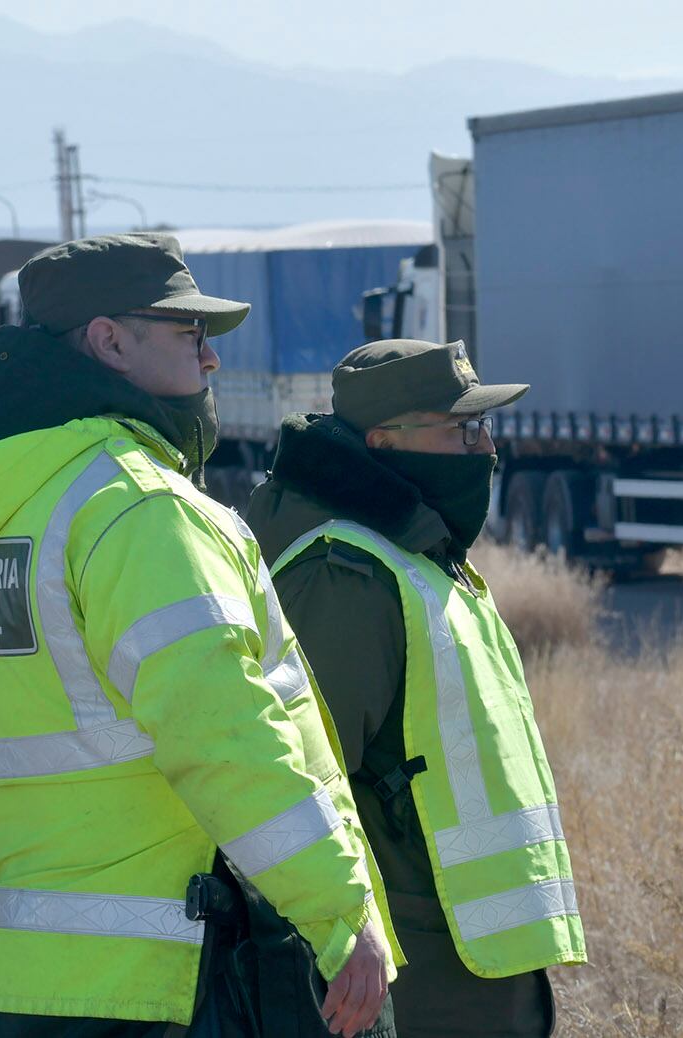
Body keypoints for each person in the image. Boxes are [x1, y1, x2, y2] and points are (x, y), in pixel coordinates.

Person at [0, 233, 399, 1037]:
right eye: (188, 334)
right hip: (177, 980)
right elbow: (227, 738)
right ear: (109, 341)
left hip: (32, 982)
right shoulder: (136, 509)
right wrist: (339, 915)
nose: (210, 361)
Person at [245, 340, 587, 1037]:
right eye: (461, 430)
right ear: (383, 442)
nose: (485, 445)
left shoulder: (419, 558)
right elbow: (294, 785)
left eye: (484, 426)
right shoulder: (346, 574)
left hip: (474, 968)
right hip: (414, 976)